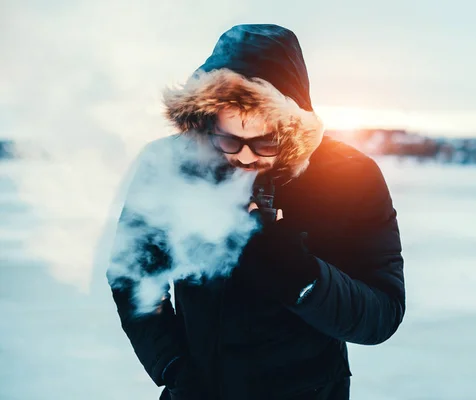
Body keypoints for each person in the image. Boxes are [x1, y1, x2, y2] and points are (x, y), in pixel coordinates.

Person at [108, 24, 406, 400]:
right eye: (229, 138)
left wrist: (301, 276)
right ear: (207, 117)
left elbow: (383, 313)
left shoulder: (348, 175)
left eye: (264, 142)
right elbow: (132, 274)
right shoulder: (168, 164)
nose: (245, 156)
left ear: (290, 126)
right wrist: (173, 366)